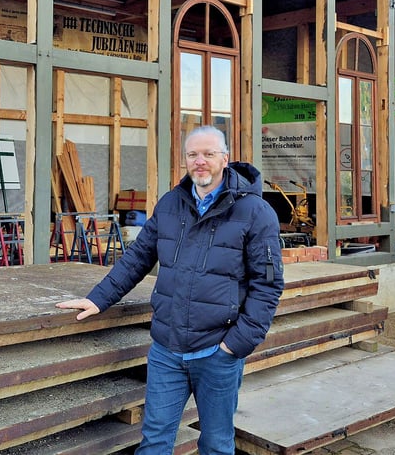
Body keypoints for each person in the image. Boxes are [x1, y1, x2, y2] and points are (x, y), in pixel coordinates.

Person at [56, 125, 285, 455]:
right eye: (193, 155)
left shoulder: (255, 212)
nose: (200, 162)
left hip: (217, 351)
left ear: (225, 158)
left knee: (217, 444)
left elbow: (268, 284)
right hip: (167, 350)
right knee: (154, 441)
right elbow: (137, 258)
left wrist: (236, 345)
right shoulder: (170, 204)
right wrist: (98, 299)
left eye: (208, 154)